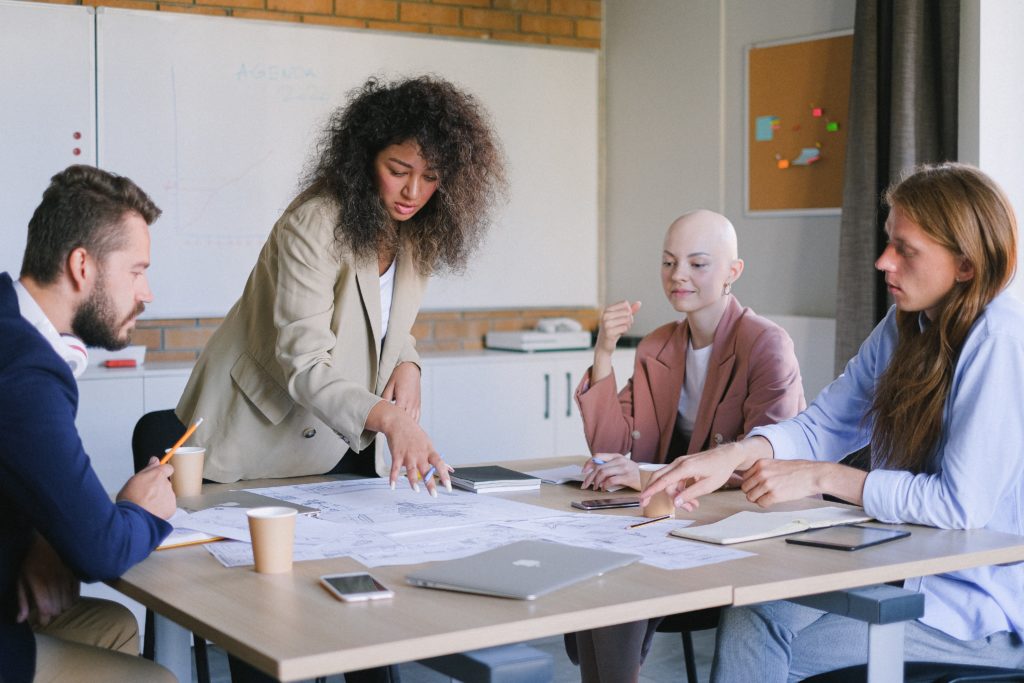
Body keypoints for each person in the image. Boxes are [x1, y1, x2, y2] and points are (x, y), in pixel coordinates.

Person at [642, 163, 1024, 680]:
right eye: (888, 242)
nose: (882, 261)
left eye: (905, 249)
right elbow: (827, 422)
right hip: (901, 568)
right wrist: (732, 454)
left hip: (974, 607)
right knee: (757, 612)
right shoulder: (906, 323)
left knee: (766, 643)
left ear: (965, 266)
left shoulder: (997, 339)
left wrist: (826, 477)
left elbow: (960, 506)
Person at [176, 75, 506, 497]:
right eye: (398, 171)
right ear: (366, 158)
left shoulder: (418, 229)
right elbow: (305, 361)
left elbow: (381, 319)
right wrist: (391, 418)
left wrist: (408, 363)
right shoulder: (315, 225)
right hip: (253, 435)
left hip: (333, 442)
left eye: (430, 177)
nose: (413, 191)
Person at [569, 209, 806, 682]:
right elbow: (613, 448)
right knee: (602, 560)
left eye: (697, 264)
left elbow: (769, 461)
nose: (678, 276)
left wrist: (642, 476)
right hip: (676, 520)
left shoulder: (766, 345)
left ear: (732, 273)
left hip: (748, 529)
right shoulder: (657, 345)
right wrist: (602, 353)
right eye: (668, 262)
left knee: (621, 573)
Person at [0, 165, 177, 683]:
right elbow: (100, 549)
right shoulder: (26, 372)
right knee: (159, 680)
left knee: (114, 625)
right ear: (83, 265)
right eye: (136, 271)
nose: (146, 294)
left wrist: (37, 539)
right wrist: (142, 510)